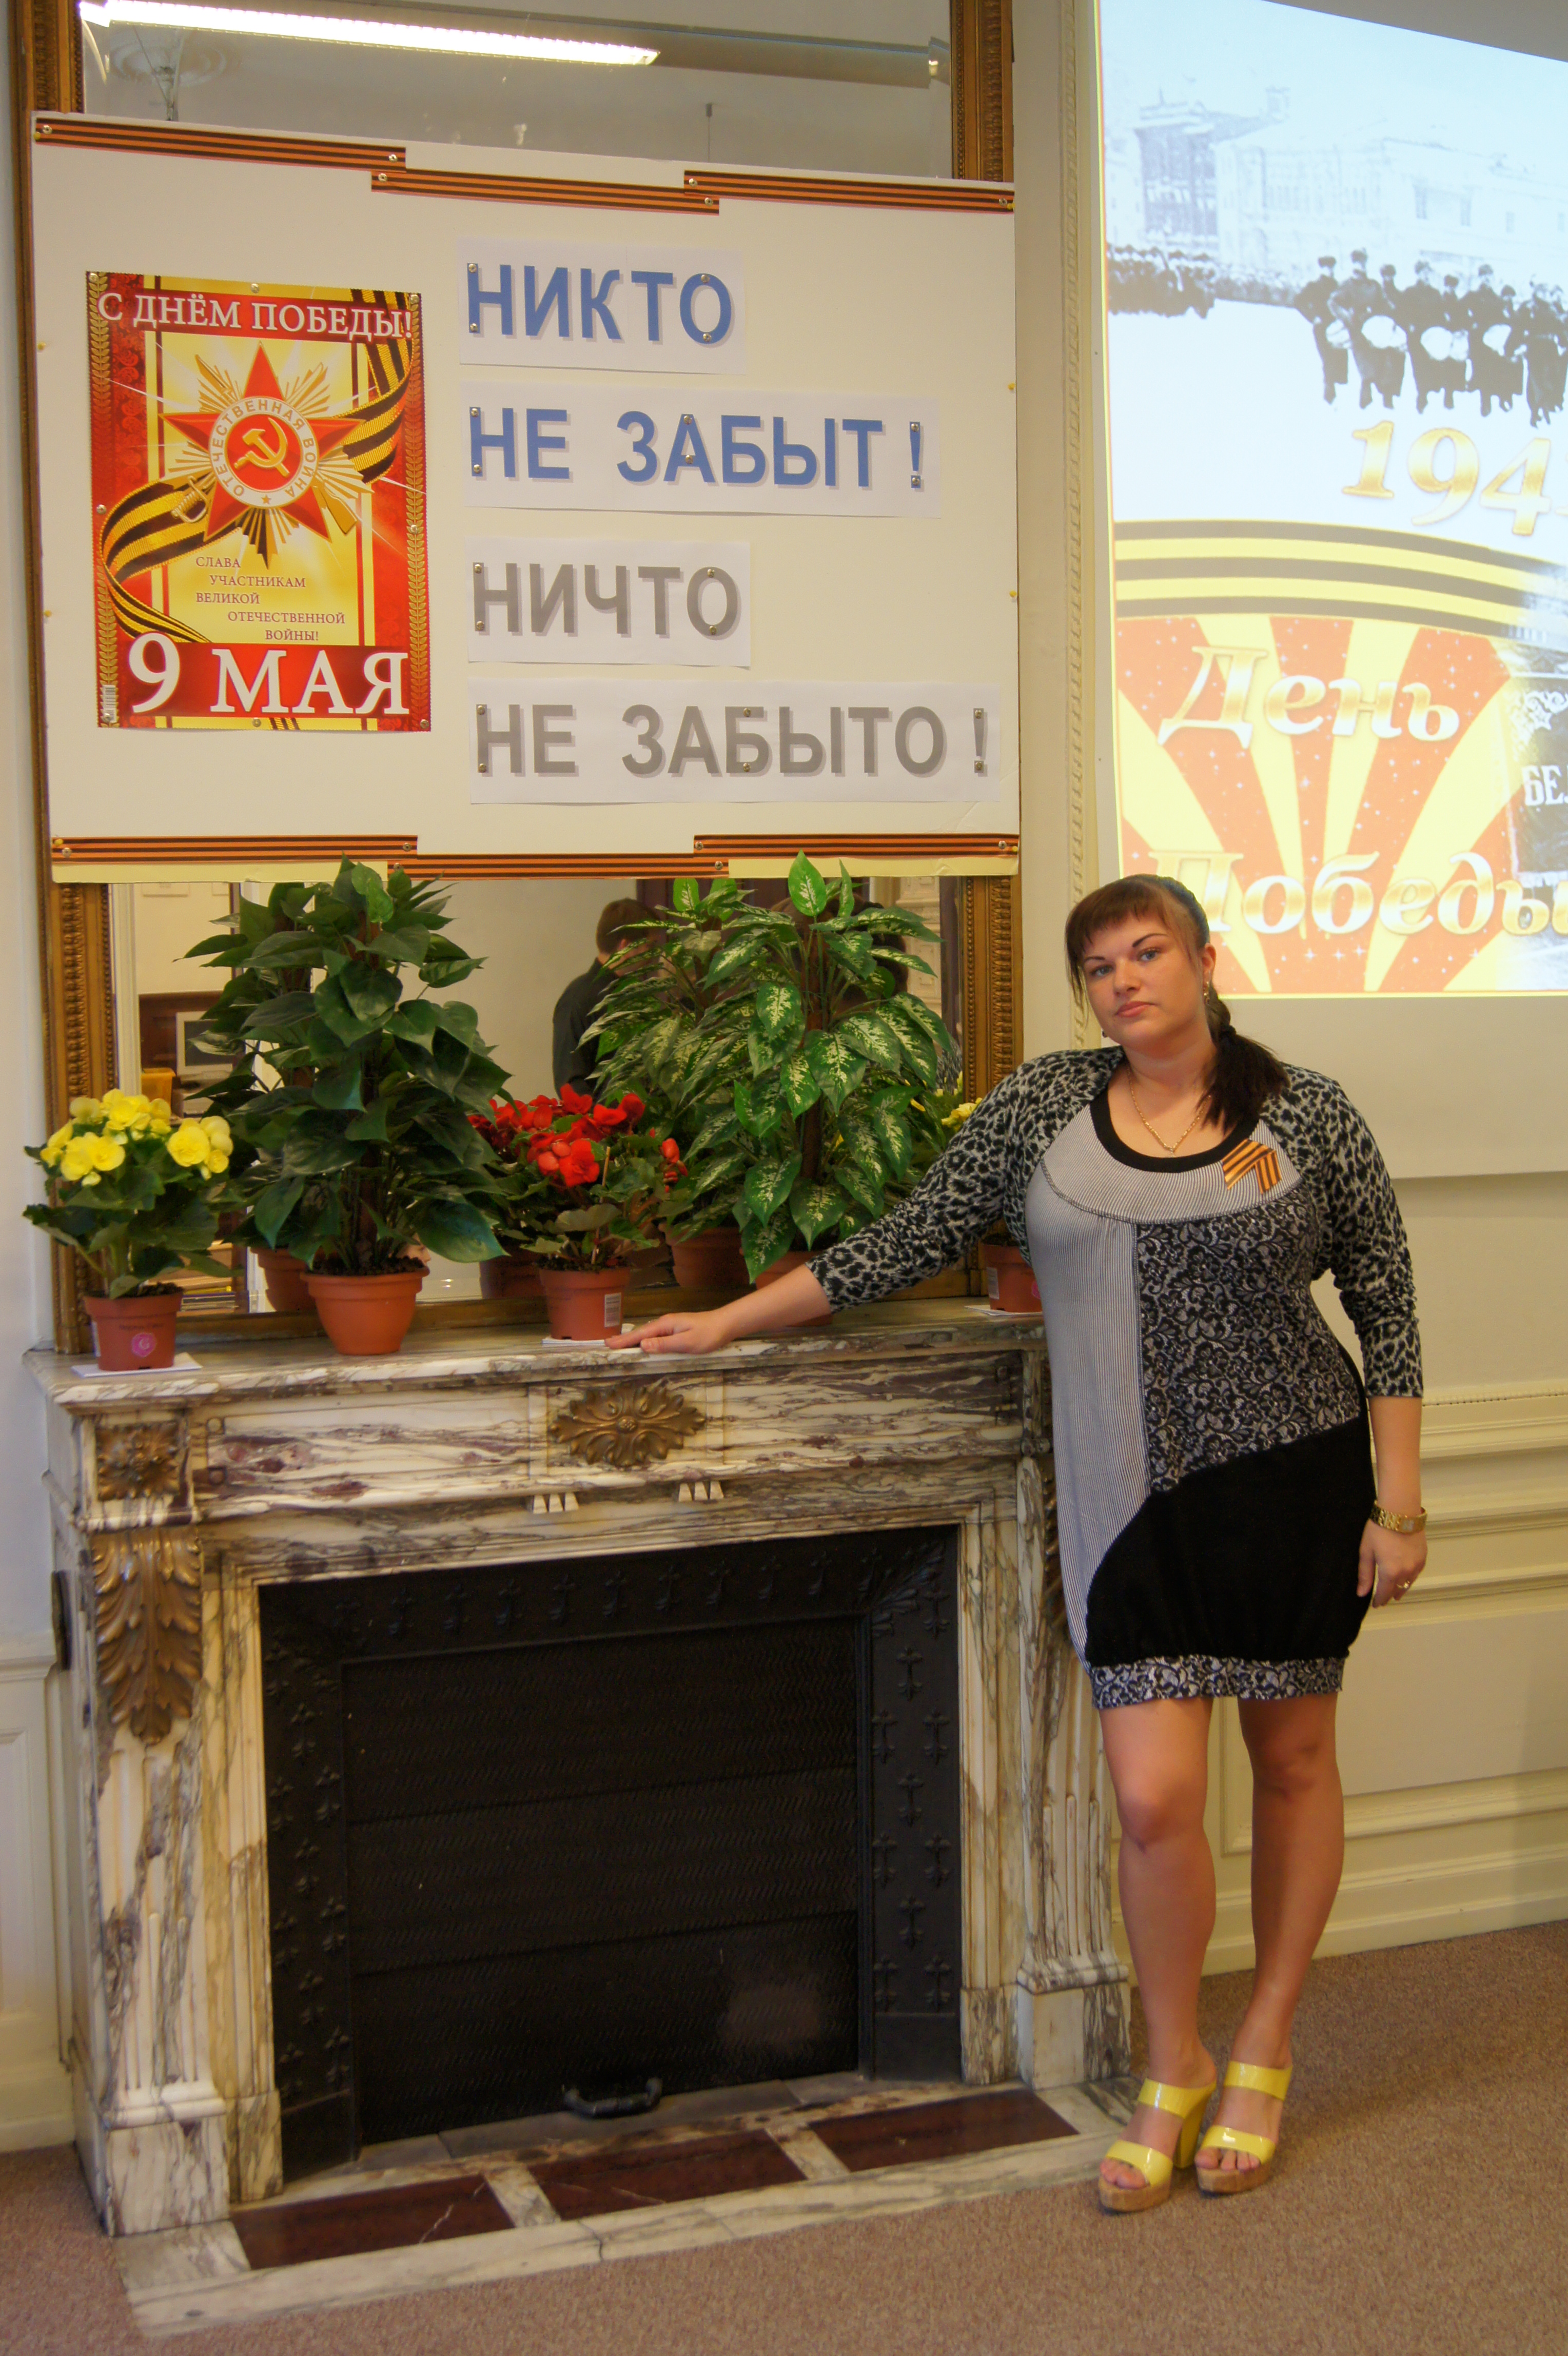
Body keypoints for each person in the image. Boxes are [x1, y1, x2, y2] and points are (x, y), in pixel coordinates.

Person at [612, 874, 1426, 2211]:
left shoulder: (1307, 1111)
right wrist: (725, 1322)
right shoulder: (1044, 1104)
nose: (1125, 981)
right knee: (1154, 1801)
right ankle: (1172, 2065)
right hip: (1123, 1505)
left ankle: (1266, 2045)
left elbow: (1385, 1304)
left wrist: (1397, 1505)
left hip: (1292, 1483)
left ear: (1206, 959)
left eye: (1148, 952)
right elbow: (910, 1237)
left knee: (1292, 1765)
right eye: (1099, 966)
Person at [551, 897, 649, 1096]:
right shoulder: (578, 998)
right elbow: (570, 1082)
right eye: (651, 946)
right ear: (626, 947)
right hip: (603, 1115)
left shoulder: (637, 995)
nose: (655, 956)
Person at [1294, 255, 1347, 404]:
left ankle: (1339, 393)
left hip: (1337, 327)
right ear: (1322, 269)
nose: (1330, 270)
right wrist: (1313, 317)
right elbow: (1298, 302)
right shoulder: (1314, 287)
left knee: (1340, 359)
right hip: (1322, 328)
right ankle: (1329, 393)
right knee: (1328, 358)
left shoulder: (1338, 287)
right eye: (1327, 268)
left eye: (1332, 267)